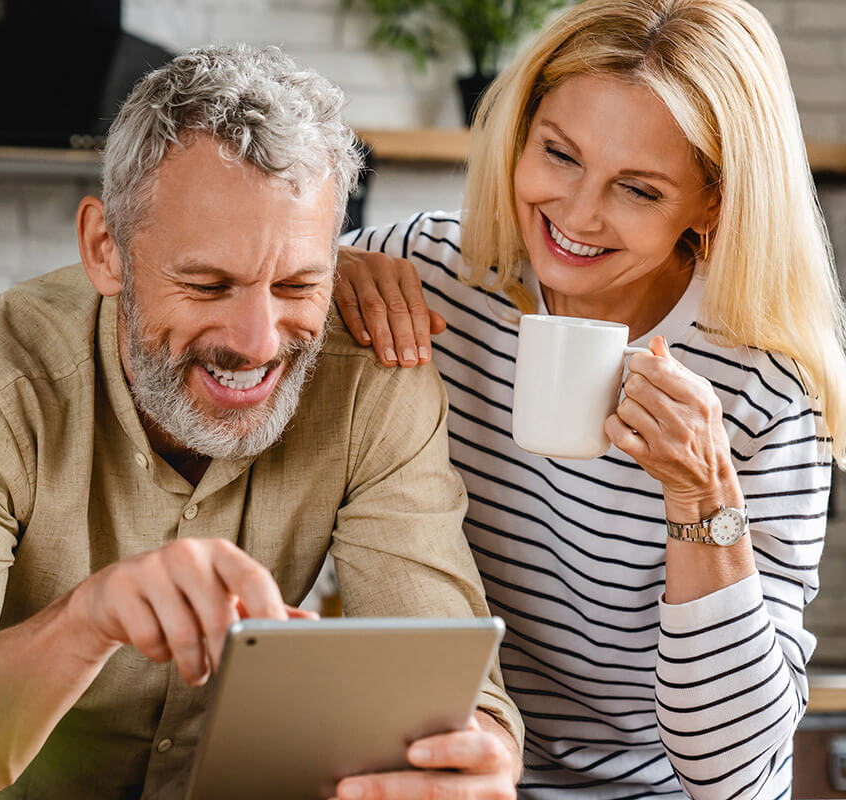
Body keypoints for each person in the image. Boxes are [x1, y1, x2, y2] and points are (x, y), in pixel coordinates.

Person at [0, 45, 523, 800]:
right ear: (107, 249)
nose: (258, 343)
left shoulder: (374, 379)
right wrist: (86, 619)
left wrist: (475, 758)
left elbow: (453, 692)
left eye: (296, 283)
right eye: (206, 283)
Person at [334, 0, 846, 797]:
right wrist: (317, 272)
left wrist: (702, 493)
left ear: (711, 203)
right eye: (560, 154)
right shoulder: (429, 272)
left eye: (638, 190)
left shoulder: (765, 388)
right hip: (449, 774)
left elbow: (733, 774)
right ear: (521, 129)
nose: (575, 215)